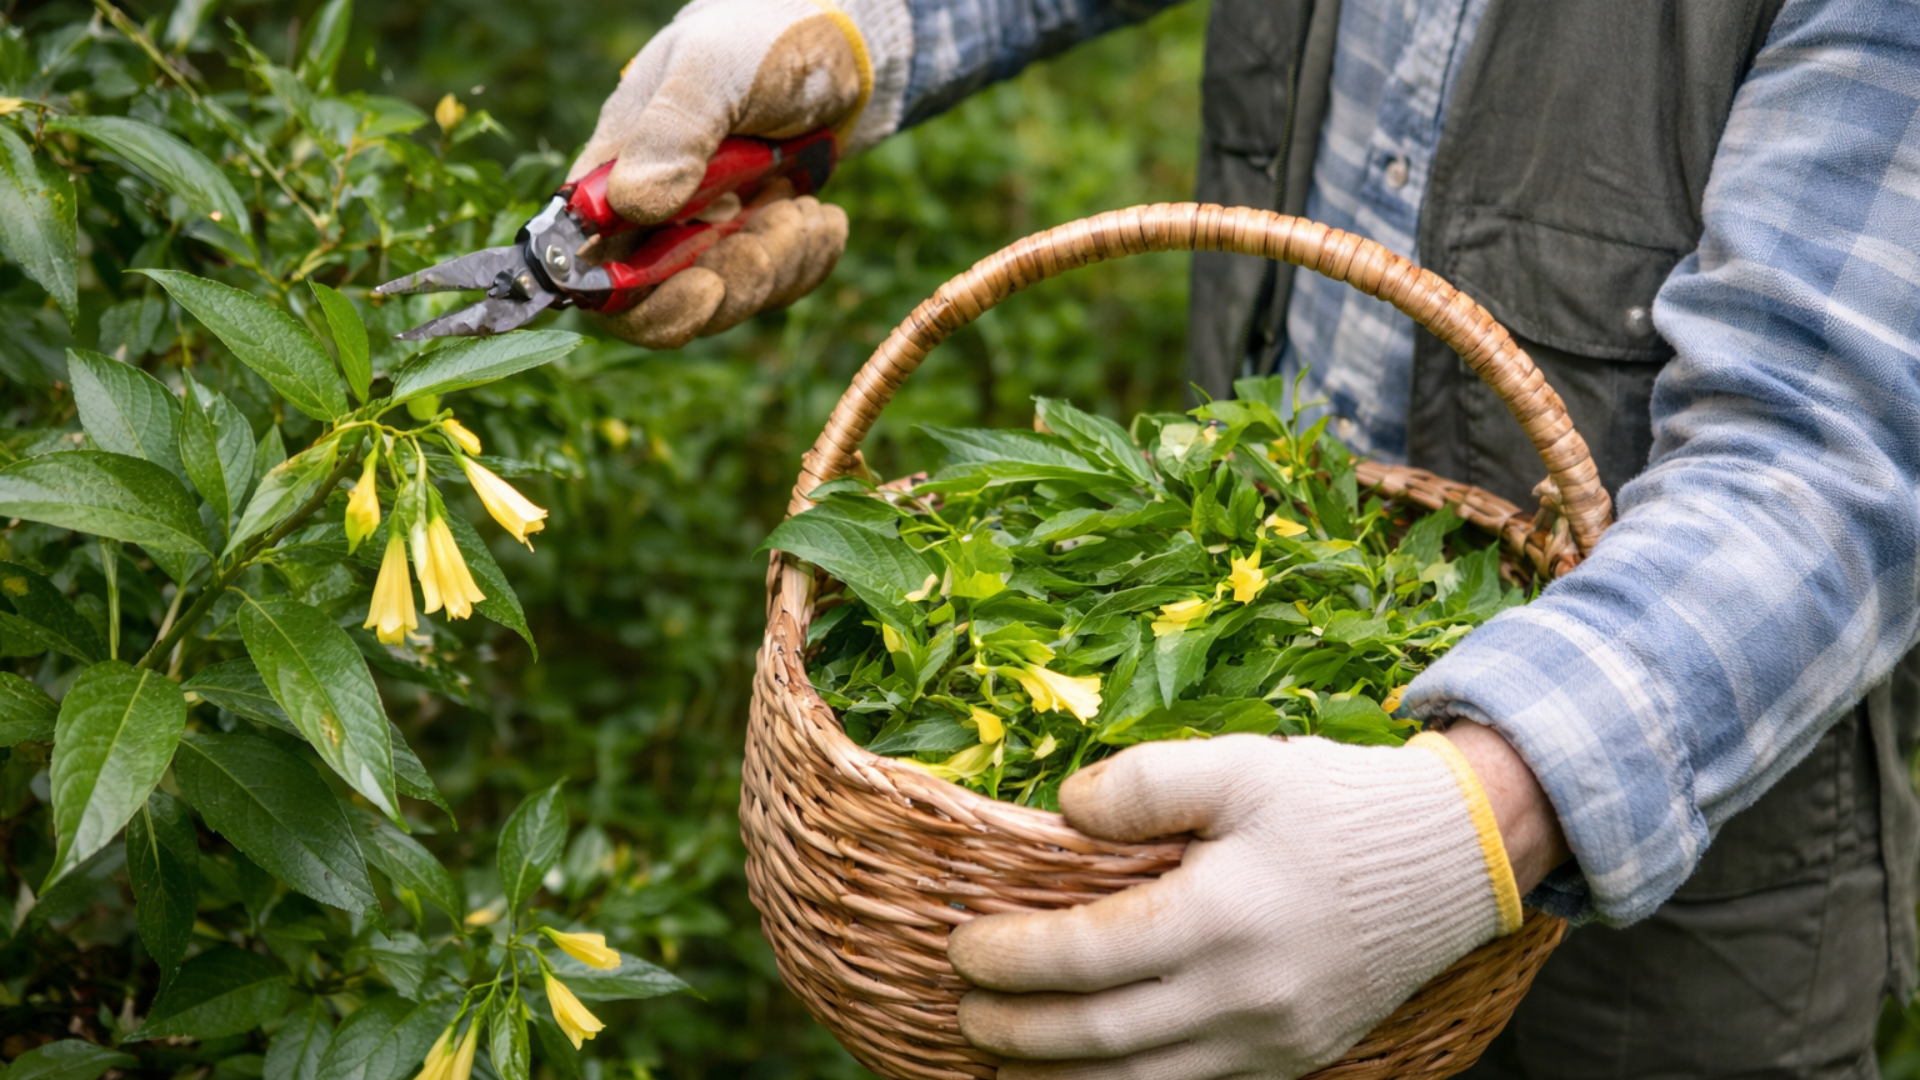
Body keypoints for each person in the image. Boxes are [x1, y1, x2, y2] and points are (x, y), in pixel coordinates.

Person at [573, 0, 1920, 1076]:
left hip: (1678, 884)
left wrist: (1479, 818)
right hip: (1248, 630)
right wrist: (844, 33)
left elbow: (1832, 446)